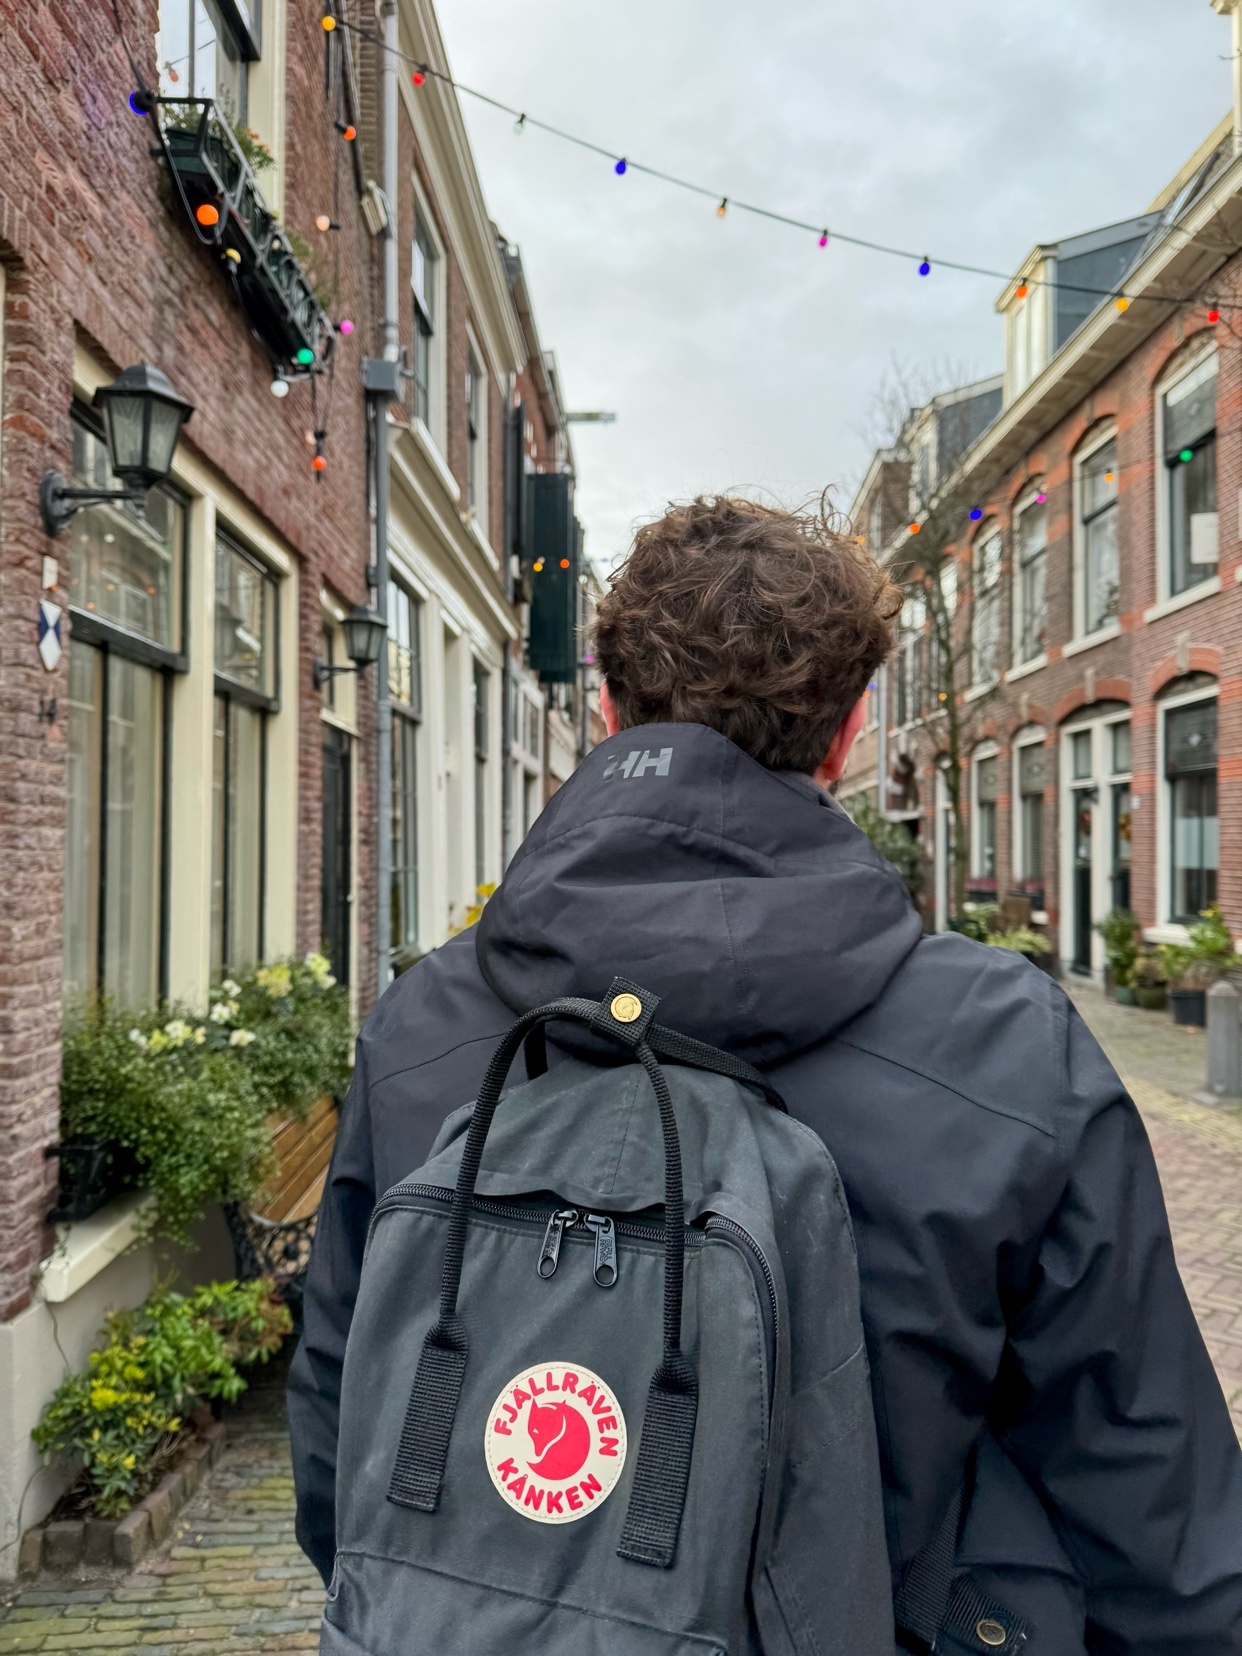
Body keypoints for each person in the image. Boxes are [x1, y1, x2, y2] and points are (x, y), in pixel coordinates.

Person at [289, 494, 1242, 1653]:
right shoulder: (1005, 1042)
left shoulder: (424, 1030)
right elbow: (1148, 1485)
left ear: (605, 709)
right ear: (846, 735)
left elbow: (346, 1437)